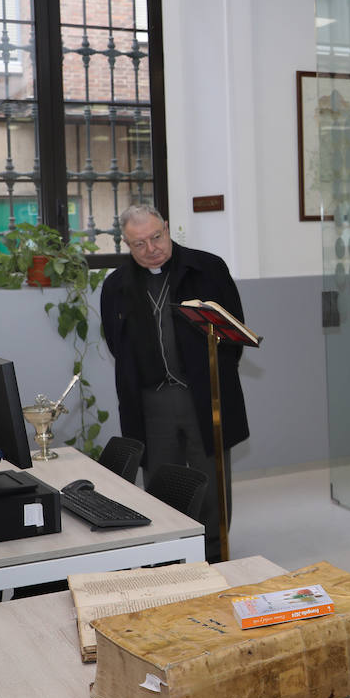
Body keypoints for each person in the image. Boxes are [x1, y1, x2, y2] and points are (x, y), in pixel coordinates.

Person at [100, 204, 249, 563]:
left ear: (167, 228)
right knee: (161, 481)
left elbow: (234, 334)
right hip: (151, 402)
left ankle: (212, 552)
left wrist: (211, 377)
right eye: (139, 244)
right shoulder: (116, 285)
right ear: (126, 244)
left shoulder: (208, 268)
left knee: (210, 479)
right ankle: (170, 555)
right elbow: (117, 345)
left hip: (203, 395)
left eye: (156, 237)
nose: (151, 248)